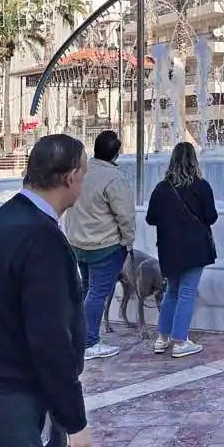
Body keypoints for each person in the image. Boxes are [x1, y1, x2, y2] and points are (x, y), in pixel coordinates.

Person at [0, 134, 92, 447]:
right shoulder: (41, 238)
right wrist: (74, 419)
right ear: (69, 177)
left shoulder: (0, 220)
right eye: (84, 173)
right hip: (18, 392)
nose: (84, 182)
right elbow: (50, 338)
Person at [63, 130, 135, 361]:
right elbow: (125, 215)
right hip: (104, 245)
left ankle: (79, 337)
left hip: (78, 242)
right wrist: (128, 241)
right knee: (97, 293)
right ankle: (90, 341)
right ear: (116, 152)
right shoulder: (113, 178)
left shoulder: (82, 171)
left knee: (86, 289)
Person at [146, 141, 218, 358]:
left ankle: (162, 338)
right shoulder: (201, 186)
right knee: (186, 293)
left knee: (172, 292)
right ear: (194, 161)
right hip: (195, 249)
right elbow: (211, 217)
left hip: (169, 249)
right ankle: (180, 341)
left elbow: (151, 218)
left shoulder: (161, 188)